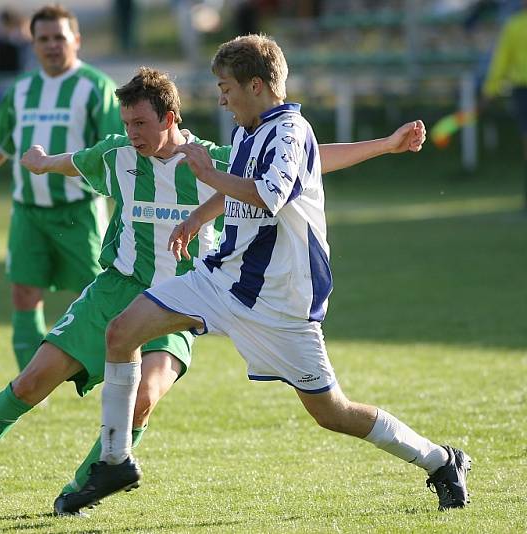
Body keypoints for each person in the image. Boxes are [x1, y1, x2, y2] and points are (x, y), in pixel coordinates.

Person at [0, 61, 428, 520]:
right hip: (114, 287)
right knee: (30, 383)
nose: (132, 133)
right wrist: (41, 164)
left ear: (170, 119)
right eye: (127, 123)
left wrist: (384, 145)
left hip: (185, 296)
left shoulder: (209, 155)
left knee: (143, 397)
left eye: (140, 123)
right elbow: (76, 162)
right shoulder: (118, 155)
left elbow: (306, 165)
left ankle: (82, 488)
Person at [64, 34, 471, 514]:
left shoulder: (291, 131)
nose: (221, 98)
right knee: (121, 330)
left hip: (281, 304)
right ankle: (114, 460)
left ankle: (440, 460)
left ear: (255, 85)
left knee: (332, 413)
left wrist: (205, 174)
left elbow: (267, 194)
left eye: (226, 87)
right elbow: (246, 183)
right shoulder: (249, 129)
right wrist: (199, 217)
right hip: (222, 280)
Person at [0, 4, 124, 374]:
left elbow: (114, 152)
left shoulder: (96, 87)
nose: (52, 45)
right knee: (24, 292)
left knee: (99, 295)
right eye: (44, 39)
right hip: (28, 211)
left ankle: (109, 370)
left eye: (60, 37)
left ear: (77, 40)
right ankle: (31, 380)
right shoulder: (21, 90)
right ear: (33, 43)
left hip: (79, 211)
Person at [482, 0, 527, 209]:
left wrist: (490, 91)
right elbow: (502, 59)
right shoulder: (513, 25)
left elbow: (501, 61)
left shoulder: (514, 25)